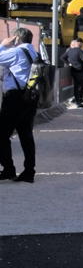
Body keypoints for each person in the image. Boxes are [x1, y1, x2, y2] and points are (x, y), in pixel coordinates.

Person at [0, 28, 40, 183]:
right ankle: (29, 171)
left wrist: (3, 45)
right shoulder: (34, 53)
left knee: (1, 134)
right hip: (30, 97)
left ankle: (8, 169)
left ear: (17, 38)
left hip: (15, 97)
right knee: (26, 134)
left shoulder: (17, 52)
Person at [62, 38, 83, 107]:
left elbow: (62, 57)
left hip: (73, 71)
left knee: (76, 87)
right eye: (82, 43)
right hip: (80, 71)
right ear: (79, 43)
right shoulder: (80, 51)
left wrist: (69, 63)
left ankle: (78, 102)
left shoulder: (70, 51)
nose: (82, 44)